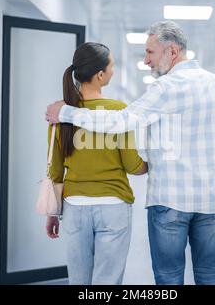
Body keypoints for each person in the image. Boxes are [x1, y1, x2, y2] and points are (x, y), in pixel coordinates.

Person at [46, 21, 215, 285]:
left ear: (172, 51)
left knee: (169, 278)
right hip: (212, 201)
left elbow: (120, 121)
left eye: (150, 53)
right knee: (211, 275)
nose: (146, 61)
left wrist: (65, 112)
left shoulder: (166, 88)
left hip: (169, 200)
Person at [45, 42, 148, 285]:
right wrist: (153, 165)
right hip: (113, 206)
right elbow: (133, 165)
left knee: (79, 282)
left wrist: (52, 212)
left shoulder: (59, 113)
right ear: (100, 75)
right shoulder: (119, 111)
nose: (113, 71)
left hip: (74, 207)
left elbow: (55, 168)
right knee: (107, 283)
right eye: (112, 66)